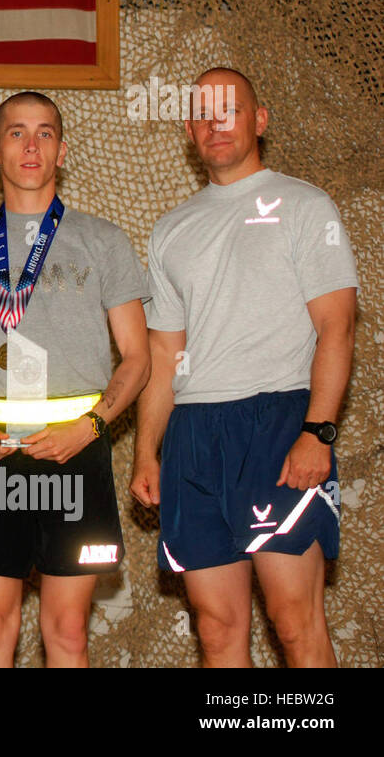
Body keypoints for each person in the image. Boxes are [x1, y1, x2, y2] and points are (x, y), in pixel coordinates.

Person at [132, 67, 357, 667]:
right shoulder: (170, 230)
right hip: (194, 437)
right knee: (216, 628)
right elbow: (162, 354)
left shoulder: (307, 206)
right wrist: (147, 450)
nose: (216, 122)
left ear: (259, 120)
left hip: (279, 424)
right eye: (203, 112)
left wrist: (318, 431)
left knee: (293, 621)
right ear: (188, 130)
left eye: (229, 109)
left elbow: (338, 328)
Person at [0, 92, 149, 667]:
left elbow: (138, 357)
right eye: (17, 133)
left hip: (75, 455)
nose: (31, 145)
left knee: (68, 633)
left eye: (45, 133)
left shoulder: (104, 241)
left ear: (62, 150)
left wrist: (92, 425)